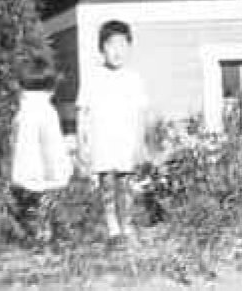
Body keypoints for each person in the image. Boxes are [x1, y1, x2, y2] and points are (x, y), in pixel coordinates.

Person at [77, 19, 150, 247]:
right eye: (110, 44)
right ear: (102, 48)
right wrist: (82, 143)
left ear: (129, 47)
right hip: (102, 140)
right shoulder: (93, 77)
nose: (116, 51)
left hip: (126, 141)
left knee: (126, 184)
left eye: (121, 45)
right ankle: (112, 228)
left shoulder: (134, 78)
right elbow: (82, 112)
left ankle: (126, 225)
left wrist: (140, 142)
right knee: (107, 184)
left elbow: (140, 114)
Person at [10, 54, 72, 245]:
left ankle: (38, 240)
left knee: (31, 212)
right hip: (50, 177)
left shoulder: (22, 113)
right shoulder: (47, 112)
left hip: (26, 176)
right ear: (50, 89)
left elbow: (15, 144)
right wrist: (61, 169)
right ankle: (56, 240)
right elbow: (53, 145)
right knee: (51, 211)